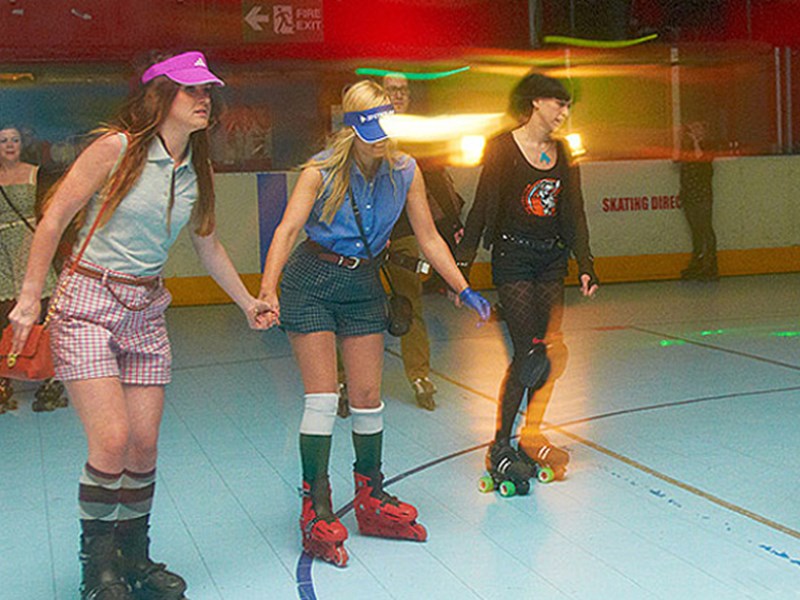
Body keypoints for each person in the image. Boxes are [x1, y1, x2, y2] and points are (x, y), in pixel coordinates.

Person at [8, 51, 272, 600]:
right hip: (86, 300)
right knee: (111, 441)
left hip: (147, 310)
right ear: (161, 97)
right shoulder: (116, 149)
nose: (204, 100)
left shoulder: (194, 166)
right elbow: (54, 218)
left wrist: (247, 302)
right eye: (191, 92)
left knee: (144, 446)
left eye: (207, 93)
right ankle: (96, 569)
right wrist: (31, 297)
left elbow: (208, 244)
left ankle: (135, 558)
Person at [258, 80, 490, 567]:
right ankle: (316, 505)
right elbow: (286, 230)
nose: (382, 137)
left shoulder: (405, 171)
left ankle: (371, 497)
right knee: (323, 399)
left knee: (366, 398)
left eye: (388, 125)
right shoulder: (320, 171)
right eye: (372, 128)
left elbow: (428, 237)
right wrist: (267, 289)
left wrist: (462, 286)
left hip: (364, 284)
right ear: (352, 128)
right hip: (313, 281)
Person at [456, 72, 598, 482]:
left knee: (551, 354)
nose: (564, 113)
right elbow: (483, 206)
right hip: (513, 257)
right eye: (559, 104)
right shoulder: (502, 147)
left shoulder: (564, 151)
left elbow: (573, 211)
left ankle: (530, 436)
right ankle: (500, 443)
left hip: (550, 260)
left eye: (568, 106)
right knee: (528, 353)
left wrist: (585, 263)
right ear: (536, 102)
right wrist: (462, 268)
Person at [0, 124, 67, 413]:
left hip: (31, 247)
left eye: (14, 140)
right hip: (2, 252)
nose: (10, 145)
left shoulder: (36, 174)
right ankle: (4, 380)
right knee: (4, 317)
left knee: (42, 314)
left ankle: (49, 380)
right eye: (3, 141)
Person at [677, 121, 717, 281]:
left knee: (705, 229)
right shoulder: (686, 147)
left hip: (702, 195)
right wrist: (680, 140)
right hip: (689, 194)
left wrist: (695, 142)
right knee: (695, 231)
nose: (694, 131)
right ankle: (697, 264)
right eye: (692, 128)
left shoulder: (707, 145)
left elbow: (702, 158)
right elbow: (675, 158)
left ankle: (711, 265)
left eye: (698, 128)